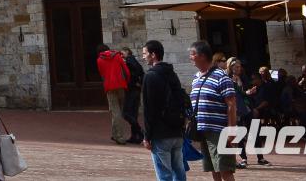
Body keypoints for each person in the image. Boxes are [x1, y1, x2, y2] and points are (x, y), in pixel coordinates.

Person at [188, 41, 238, 181]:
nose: (190, 57)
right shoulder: (196, 78)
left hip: (219, 131)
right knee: (213, 169)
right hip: (204, 130)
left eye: (192, 54)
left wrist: (232, 130)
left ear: (202, 56)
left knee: (225, 169)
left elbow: (232, 104)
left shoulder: (221, 77)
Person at [139, 40, 187, 181]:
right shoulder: (172, 73)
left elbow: (149, 109)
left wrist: (147, 136)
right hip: (176, 130)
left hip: (161, 133)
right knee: (179, 171)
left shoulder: (150, 76)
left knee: (164, 174)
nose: (143, 57)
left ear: (153, 55)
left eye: (145, 53)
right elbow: (180, 99)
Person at [95, 43, 132, 145]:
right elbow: (126, 70)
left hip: (109, 87)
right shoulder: (117, 56)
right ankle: (115, 134)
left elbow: (102, 74)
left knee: (115, 112)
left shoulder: (99, 60)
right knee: (119, 111)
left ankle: (119, 136)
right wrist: (126, 82)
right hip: (121, 85)